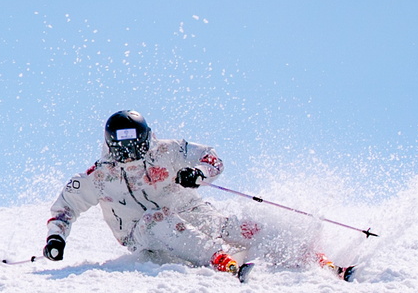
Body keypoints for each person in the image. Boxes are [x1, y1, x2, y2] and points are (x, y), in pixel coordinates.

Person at [41, 110, 262, 282]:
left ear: (146, 138)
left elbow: (210, 157)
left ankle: (278, 246)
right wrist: (56, 238)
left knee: (225, 226)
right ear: (111, 146)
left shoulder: (168, 150)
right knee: (158, 218)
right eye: (123, 149)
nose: (130, 154)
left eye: (135, 146)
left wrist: (198, 173)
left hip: (187, 210)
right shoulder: (99, 176)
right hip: (140, 232)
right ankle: (219, 258)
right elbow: (65, 207)